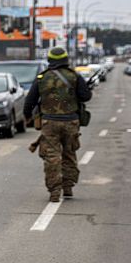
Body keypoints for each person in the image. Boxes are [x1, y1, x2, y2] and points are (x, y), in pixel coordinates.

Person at [23, 47, 92, 202]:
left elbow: (30, 101)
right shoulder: (75, 76)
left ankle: (54, 191)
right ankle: (68, 187)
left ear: (50, 59)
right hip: (71, 122)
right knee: (69, 153)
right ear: (66, 59)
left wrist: (27, 117)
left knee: (52, 157)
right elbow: (86, 96)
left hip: (50, 122)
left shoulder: (42, 78)